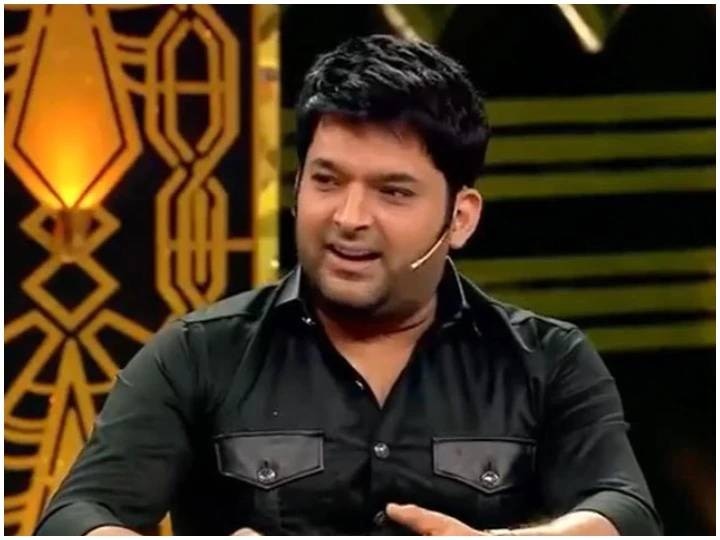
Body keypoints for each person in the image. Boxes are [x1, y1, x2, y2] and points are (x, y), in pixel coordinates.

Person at [35, 34, 661, 536]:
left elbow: (626, 512)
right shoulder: (200, 354)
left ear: (460, 218)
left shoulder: (547, 360)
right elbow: (74, 517)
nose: (349, 217)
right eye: (327, 180)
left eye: (393, 192)